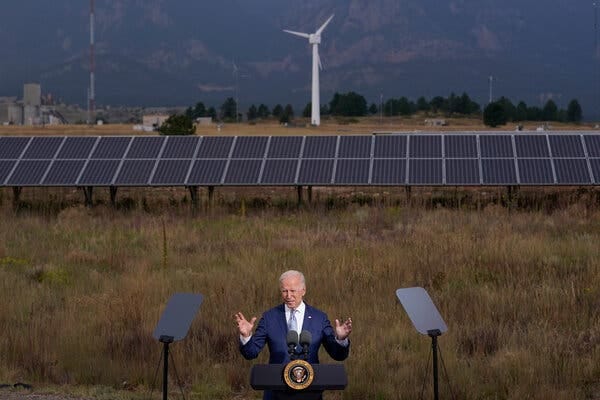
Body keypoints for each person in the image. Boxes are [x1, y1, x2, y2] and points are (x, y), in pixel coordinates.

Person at [235, 270, 352, 399]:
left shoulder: (319, 318)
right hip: (276, 393)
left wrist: (341, 339)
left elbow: (337, 354)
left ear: (303, 290)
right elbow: (251, 352)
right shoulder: (269, 317)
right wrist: (246, 336)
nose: (288, 296)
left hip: (310, 393)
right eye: (284, 291)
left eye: (293, 291)